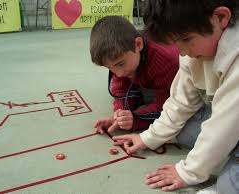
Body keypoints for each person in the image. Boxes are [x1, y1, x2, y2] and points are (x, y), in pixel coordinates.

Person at [113, 0, 239, 193]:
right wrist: (148, 137)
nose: (181, 52)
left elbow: (224, 126)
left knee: (229, 186)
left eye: (186, 39)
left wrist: (188, 172)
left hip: (231, 122)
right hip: (230, 121)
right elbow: (181, 102)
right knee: (182, 130)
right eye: (175, 42)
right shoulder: (194, 49)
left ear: (221, 17)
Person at [90, 16, 179, 134]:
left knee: (154, 101)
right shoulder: (122, 53)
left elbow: (167, 107)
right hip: (149, 77)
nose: (119, 73)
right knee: (117, 85)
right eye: (110, 68)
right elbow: (120, 88)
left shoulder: (165, 61)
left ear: (138, 44)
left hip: (172, 83)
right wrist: (120, 116)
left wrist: (136, 118)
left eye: (120, 64)